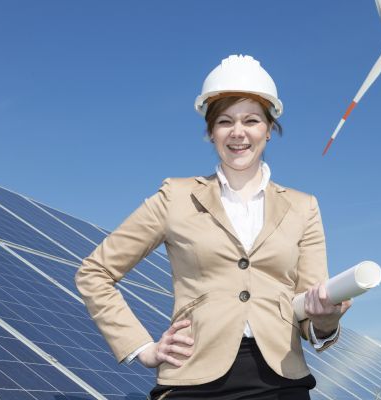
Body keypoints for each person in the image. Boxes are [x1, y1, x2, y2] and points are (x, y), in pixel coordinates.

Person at [75, 54, 351, 400]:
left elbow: (311, 315)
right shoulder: (174, 197)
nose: (238, 133)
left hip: (281, 381)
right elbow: (94, 272)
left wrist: (327, 320)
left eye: (251, 120)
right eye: (225, 121)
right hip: (192, 379)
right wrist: (141, 347)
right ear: (211, 132)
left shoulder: (303, 207)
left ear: (269, 129)